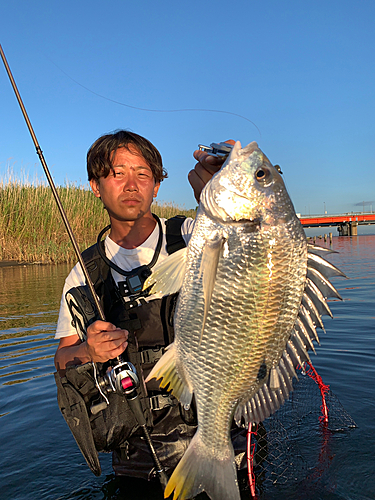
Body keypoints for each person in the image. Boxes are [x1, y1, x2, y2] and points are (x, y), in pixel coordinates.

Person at [54, 130, 233, 480]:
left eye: (143, 174)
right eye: (117, 173)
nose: (131, 184)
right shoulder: (83, 275)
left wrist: (224, 191)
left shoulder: (197, 235)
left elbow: (260, 252)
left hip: (226, 435)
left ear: (157, 186)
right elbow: (62, 359)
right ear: (95, 185)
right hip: (142, 457)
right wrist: (90, 352)